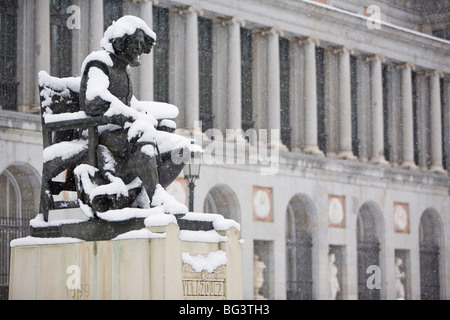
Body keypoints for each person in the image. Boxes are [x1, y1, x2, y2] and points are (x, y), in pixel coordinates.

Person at [78, 16, 189, 215]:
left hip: (123, 133)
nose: (139, 48)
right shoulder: (99, 63)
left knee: (181, 150)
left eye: (141, 44)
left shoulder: (123, 69)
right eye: (135, 43)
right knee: (144, 134)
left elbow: (132, 104)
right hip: (102, 133)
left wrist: (145, 116)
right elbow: (94, 99)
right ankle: (156, 197)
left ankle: (142, 193)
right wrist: (130, 116)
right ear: (122, 42)